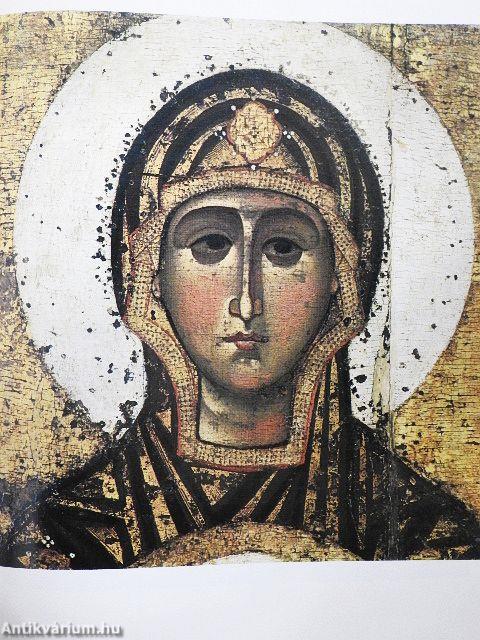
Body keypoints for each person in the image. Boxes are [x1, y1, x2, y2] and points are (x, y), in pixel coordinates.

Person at [4, 70, 480, 568]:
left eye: (284, 247)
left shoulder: (423, 539)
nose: (247, 302)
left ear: (342, 278)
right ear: (149, 272)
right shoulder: (67, 536)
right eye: (211, 243)